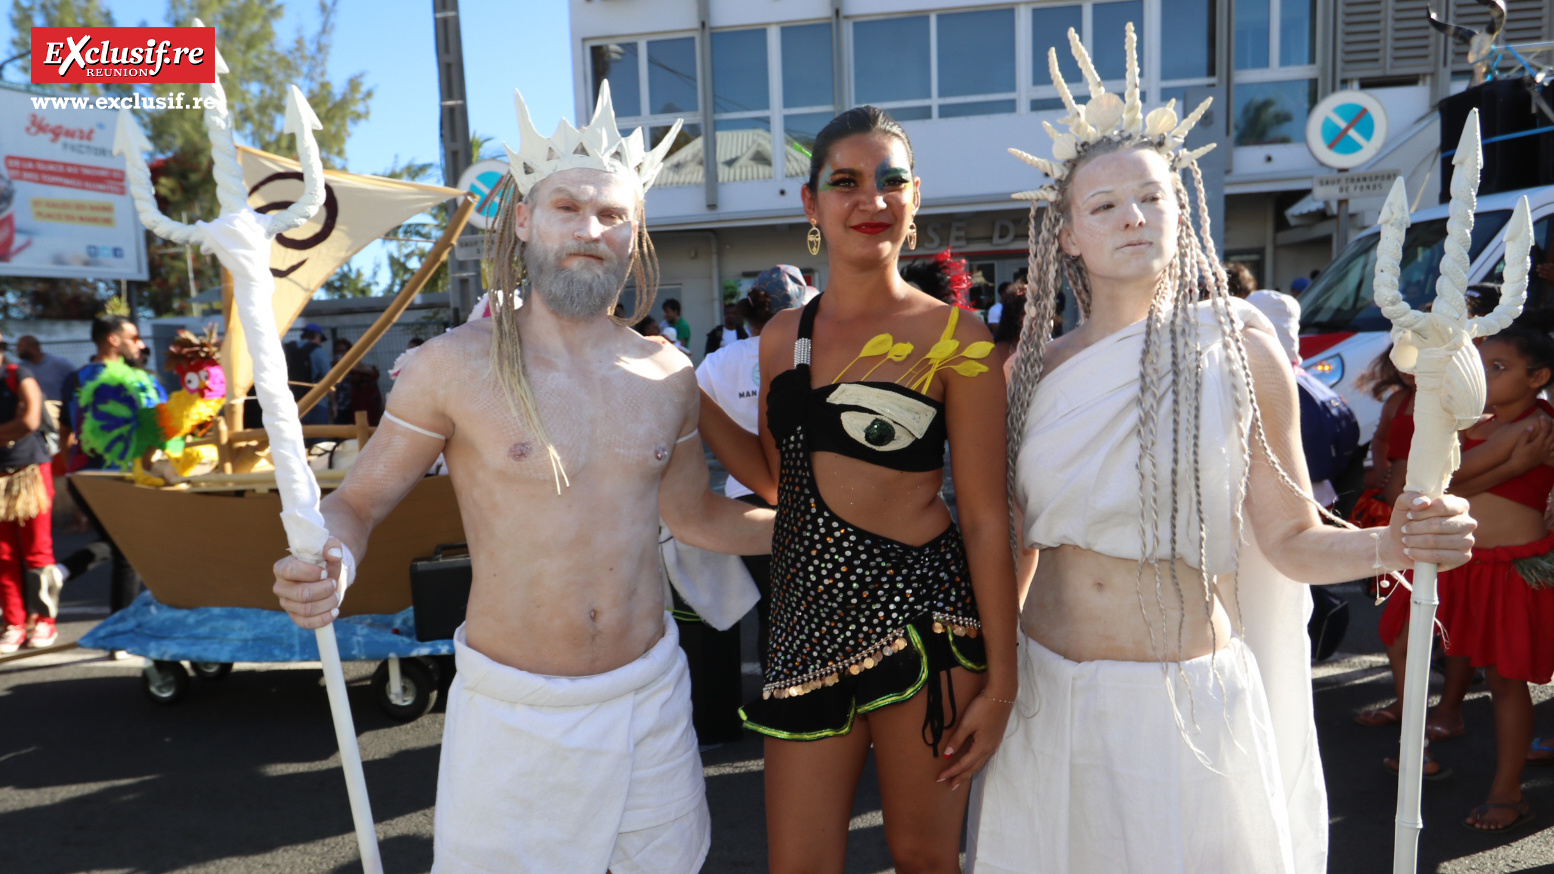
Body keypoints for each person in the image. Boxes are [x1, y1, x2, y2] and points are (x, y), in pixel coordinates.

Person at [968, 26, 1474, 873]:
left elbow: (1288, 536)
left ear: (1181, 209)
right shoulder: (1029, 374)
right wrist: (989, 677)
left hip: (1186, 701)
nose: (1133, 216)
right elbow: (1012, 542)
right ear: (1068, 239)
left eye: (1152, 197)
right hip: (1046, 697)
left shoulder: (1239, 348)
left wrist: (1395, 541)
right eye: (1104, 206)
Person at [273, 85, 773, 874]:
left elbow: (697, 516)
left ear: (634, 232)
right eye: (567, 207)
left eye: (612, 215)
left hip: (650, 700)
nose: (590, 229)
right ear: (524, 220)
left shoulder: (667, 372)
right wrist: (331, 559)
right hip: (514, 714)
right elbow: (360, 503)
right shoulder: (451, 368)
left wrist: (820, 519)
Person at [698, 106, 1018, 873]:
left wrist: (1002, 684)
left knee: (922, 858)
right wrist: (691, 404)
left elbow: (982, 518)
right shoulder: (783, 339)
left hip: (925, 627)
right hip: (804, 628)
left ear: (915, 199)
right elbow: (787, 484)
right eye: (845, 182)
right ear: (811, 205)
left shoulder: (957, 338)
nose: (870, 199)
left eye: (891, 181)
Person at [1368, 327, 1554, 831]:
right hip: (1458, 563)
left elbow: (1443, 478)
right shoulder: (1472, 422)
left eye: (1499, 368)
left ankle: (1508, 791)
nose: (1485, 376)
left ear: (1539, 377)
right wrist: (1510, 464)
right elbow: (1420, 484)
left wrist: (1506, 459)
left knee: (1505, 679)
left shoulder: (1538, 425)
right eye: (1481, 365)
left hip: (1511, 568)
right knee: (1414, 645)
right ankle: (1420, 743)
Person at [696, 265, 808, 672]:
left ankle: (775, 703)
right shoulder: (811, 356)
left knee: (770, 607)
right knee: (809, 609)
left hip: (742, 497)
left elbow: (688, 419)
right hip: (806, 493)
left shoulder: (717, 362)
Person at [60, 315, 160, 616]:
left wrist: (73, 472)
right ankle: (121, 630)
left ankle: (59, 573)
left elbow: (66, 430)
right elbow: (158, 430)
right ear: (113, 340)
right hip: (120, 476)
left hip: (81, 474)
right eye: (134, 337)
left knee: (120, 544)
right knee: (129, 548)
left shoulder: (75, 378)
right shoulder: (137, 380)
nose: (140, 344)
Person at [0, 342, 52, 653]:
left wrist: (13, 428)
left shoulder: (19, 374)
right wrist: (10, 428)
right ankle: (14, 622)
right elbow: (19, 423)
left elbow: (30, 421)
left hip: (30, 472)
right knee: (3, 554)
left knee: (37, 552)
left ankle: (44, 620)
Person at [15, 335, 74, 403]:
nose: (17, 349)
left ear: (31, 347)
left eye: (19, 346)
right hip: (33, 410)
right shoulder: (21, 368)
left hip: (57, 409)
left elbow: (76, 381)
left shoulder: (60, 363)